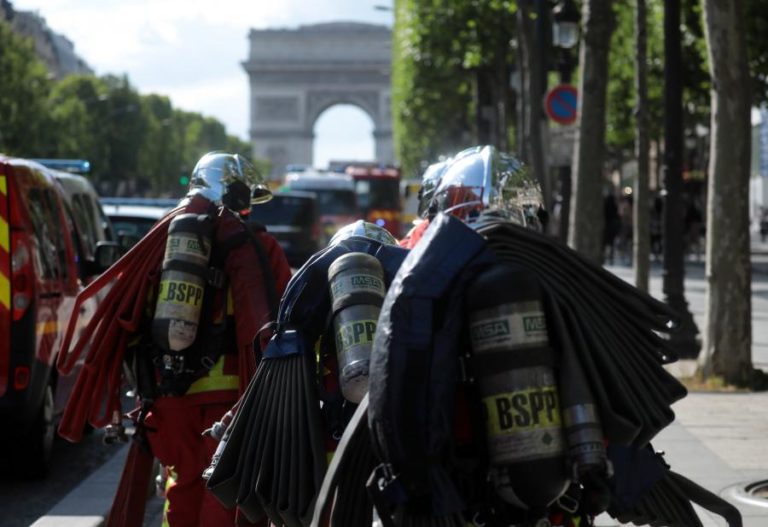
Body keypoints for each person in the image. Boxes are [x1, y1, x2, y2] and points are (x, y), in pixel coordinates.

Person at [56, 152, 292, 527]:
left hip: (169, 394)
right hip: (232, 400)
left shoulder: (157, 244)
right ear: (240, 197)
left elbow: (130, 314)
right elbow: (281, 323)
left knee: (180, 486)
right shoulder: (261, 248)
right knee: (224, 495)